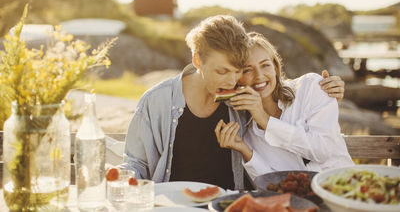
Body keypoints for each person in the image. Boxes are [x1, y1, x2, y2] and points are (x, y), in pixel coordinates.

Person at [122, 16, 346, 190]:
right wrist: (121, 181)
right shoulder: (157, 101)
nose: (231, 80)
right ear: (197, 60)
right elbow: (136, 164)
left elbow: (276, 89)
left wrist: (329, 91)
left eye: (238, 71)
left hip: (232, 201)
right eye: (222, 71)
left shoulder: (245, 101)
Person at [215, 32, 354, 181]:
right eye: (247, 70)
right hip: (298, 201)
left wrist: (266, 121)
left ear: (275, 67)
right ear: (237, 79)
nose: (259, 75)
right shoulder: (247, 133)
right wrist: (244, 150)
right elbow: (271, 183)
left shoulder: (312, 86)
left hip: (346, 188)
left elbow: (323, 151)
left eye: (265, 65)